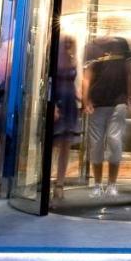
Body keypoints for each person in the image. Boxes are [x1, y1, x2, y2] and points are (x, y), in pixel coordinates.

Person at [81, 34, 131, 198]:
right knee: (96, 144)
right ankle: (97, 184)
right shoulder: (91, 47)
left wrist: (129, 97)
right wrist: (86, 100)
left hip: (118, 101)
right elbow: (87, 75)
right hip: (97, 102)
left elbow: (129, 71)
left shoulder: (122, 43)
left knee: (114, 141)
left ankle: (112, 184)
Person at [49, 35, 81, 200]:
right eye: (65, 42)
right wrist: (53, 105)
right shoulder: (54, 59)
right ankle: (47, 180)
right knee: (52, 144)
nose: (68, 45)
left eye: (70, 42)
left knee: (66, 145)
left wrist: (80, 97)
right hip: (57, 103)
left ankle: (60, 184)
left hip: (70, 105)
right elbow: (50, 82)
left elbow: (72, 84)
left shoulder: (72, 59)